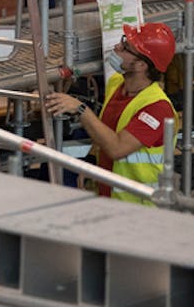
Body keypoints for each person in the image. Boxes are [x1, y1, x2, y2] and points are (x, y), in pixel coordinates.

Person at [43, 22, 177, 205]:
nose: (117, 47)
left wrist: (81, 109)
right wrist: (90, 162)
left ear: (141, 65)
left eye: (126, 47)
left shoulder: (157, 109)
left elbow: (117, 148)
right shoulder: (117, 84)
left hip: (140, 208)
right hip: (111, 199)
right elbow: (106, 131)